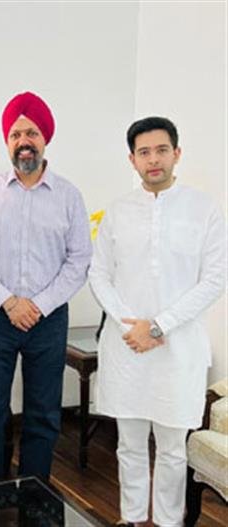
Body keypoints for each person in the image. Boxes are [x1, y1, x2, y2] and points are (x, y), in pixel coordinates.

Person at [89, 116, 226, 527]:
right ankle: (132, 518)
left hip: (177, 349)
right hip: (127, 347)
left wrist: (159, 325)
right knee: (129, 444)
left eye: (161, 150)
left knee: (172, 449)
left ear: (176, 154)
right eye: (144, 152)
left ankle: (168, 522)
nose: (153, 160)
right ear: (132, 160)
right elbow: (99, 274)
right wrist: (130, 325)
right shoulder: (118, 211)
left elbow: (215, 279)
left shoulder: (204, 209)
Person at [0, 91, 92, 482]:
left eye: (32, 133)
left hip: (48, 319)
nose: (24, 141)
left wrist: (38, 305)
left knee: (43, 415)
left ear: (45, 139)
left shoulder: (69, 196)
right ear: (7, 141)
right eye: (16, 134)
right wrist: (9, 302)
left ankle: (35, 500)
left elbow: (79, 260)